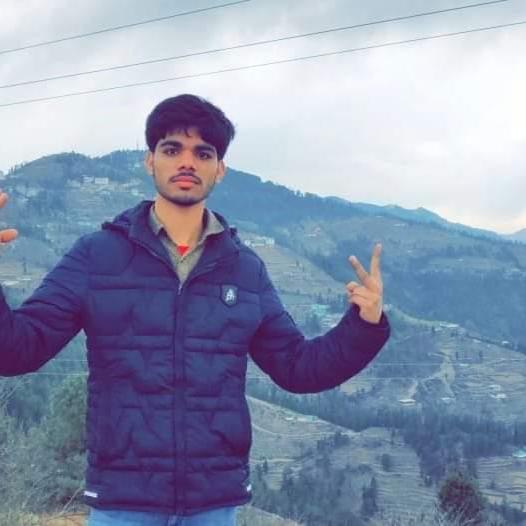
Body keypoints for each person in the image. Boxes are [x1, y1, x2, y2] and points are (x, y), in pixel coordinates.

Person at [0, 94, 390, 526]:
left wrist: (364, 323)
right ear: (150, 161)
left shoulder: (244, 268)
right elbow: (16, 350)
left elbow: (298, 368)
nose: (187, 162)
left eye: (203, 153)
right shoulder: (97, 256)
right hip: (122, 503)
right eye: (172, 149)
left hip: (213, 505)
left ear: (219, 169)